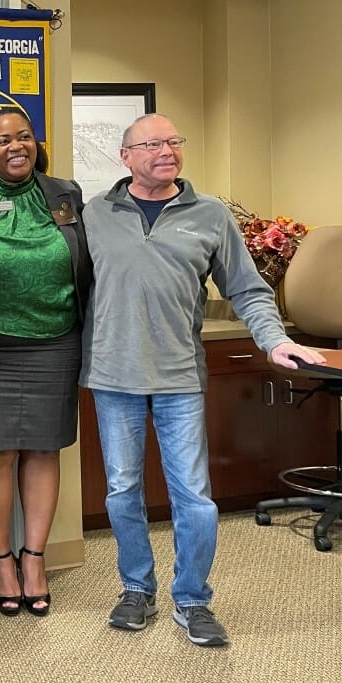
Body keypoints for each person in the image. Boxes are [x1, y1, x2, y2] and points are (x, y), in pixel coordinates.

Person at [81, 113, 324, 647]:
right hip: (112, 373)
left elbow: (249, 289)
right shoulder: (94, 213)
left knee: (194, 496)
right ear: (125, 157)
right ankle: (136, 589)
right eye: (151, 144)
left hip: (178, 376)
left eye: (173, 141)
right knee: (122, 491)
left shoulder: (210, 214)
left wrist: (274, 339)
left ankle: (192, 599)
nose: (166, 150)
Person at [0, 108, 91, 618]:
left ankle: (35, 560)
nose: (16, 146)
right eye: (4, 140)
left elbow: (87, 263)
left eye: (24, 137)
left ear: (37, 143)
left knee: (43, 449)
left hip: (55, 343)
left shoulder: (65, 195)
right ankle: (2, 562)